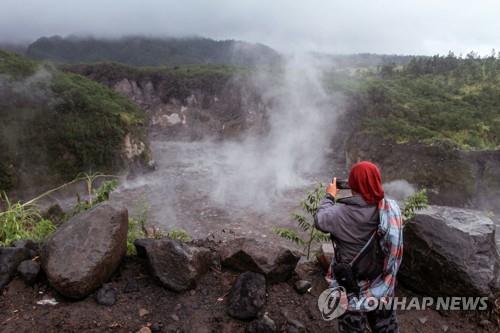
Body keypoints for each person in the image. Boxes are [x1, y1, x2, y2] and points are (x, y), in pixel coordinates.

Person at [314, 161, 403, 333]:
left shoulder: (339, 213)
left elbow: (320, 220)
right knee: (386, 327)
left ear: (352, 184)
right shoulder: (389, 209)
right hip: (381, 281)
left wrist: (329, 196)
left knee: (351, 328)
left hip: (350, 285)